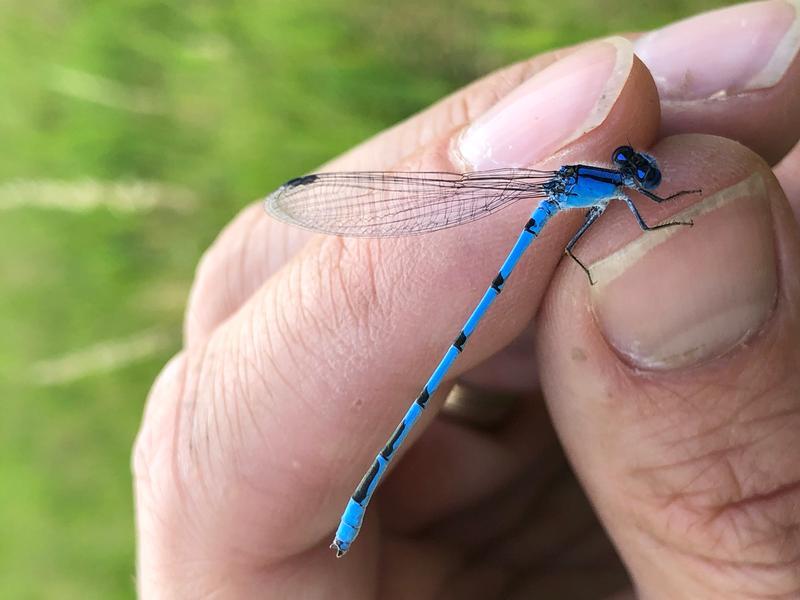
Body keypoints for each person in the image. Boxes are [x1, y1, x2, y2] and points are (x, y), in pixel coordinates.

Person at [133, 1, 800, 597]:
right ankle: (360, 498)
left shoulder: (607, 186)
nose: (636, 175)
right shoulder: (611, 188)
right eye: (631, 171)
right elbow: (644, 211)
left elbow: (607, 224)